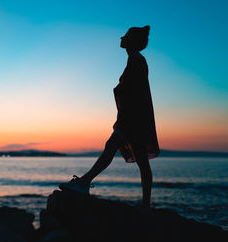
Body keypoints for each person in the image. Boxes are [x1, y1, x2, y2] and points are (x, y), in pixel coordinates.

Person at [59, 25, 160, 207]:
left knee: (115, 148)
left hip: (131, 119)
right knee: (139, 161)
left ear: (132, 41)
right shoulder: (135, 60)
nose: (121, 39)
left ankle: (84, 183)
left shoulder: (137, 60)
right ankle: (145, 204)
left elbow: (135, 92)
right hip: (133, 118)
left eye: (125, 36)